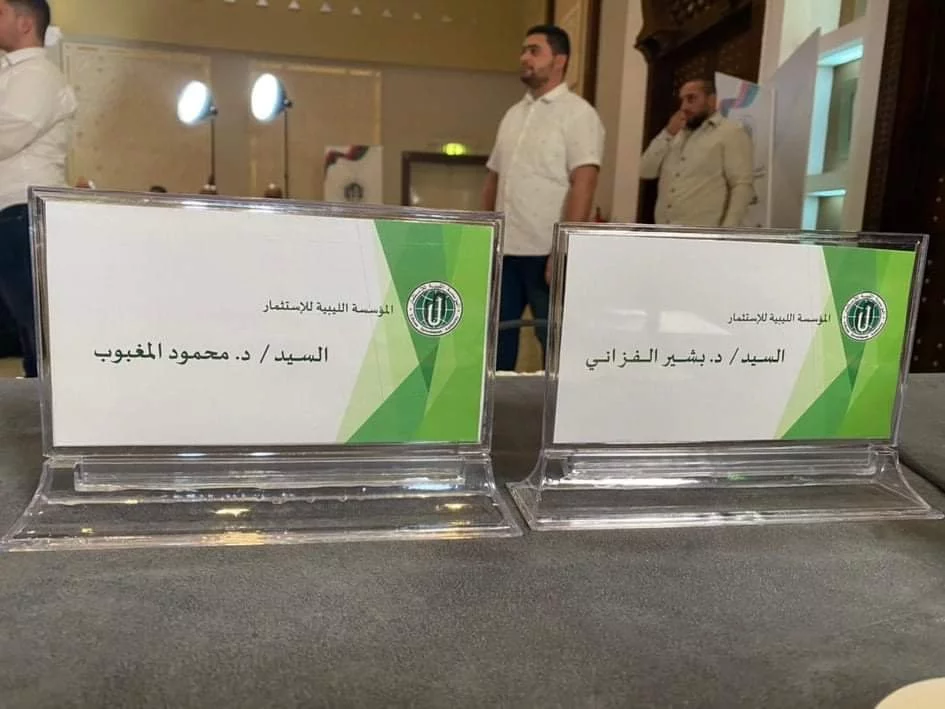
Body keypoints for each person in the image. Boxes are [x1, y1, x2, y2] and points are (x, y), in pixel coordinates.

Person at [483, 24, 604, 371]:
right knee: (497, 342)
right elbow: (493, 179)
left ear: (560, 60)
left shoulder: (578, 113)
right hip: (505, 251)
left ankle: (559, 406)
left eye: (534, 51)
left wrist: (564, 248)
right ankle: (498, 403)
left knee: (553, 345)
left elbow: (584, 182)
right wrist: (484, 238)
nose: (524, 57)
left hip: (545, 253)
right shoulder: (512, 114)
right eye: (523, 50)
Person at [0, 0, 76, 378]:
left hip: (23, 215)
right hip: (12, 216)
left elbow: (7, 132)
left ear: (26, 23)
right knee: (25, 332)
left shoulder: (37, 75)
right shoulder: (12, 73)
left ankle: (48, 409)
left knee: (39, 333)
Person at [640, 79, 753, 228]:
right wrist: (667, 133)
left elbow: (741, 185)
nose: (684, 107)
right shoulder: (675, 134)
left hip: (703, 235)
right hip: (665, 232)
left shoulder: (731, 132)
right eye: (682, 100)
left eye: (691, 98)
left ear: (711, 100)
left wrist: (726, 233)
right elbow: (645, 171)